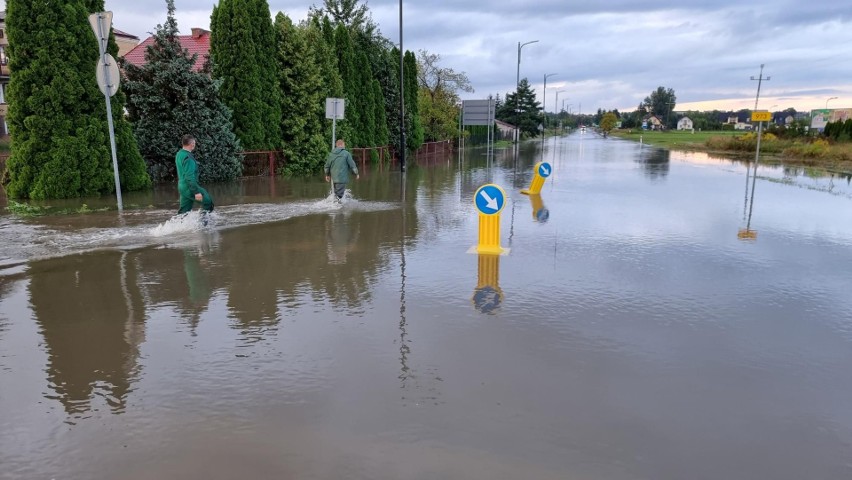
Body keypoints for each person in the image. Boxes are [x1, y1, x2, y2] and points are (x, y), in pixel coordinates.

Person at [175, 134, 214, 215]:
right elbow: (189, 176)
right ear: (192, 144)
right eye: (194, 143)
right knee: (208, 203)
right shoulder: (188, 158)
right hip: (189, 187)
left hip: (181, 186)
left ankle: (177, 226)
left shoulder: (179, 154)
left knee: (183, 211)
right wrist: (196, 192)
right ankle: (204, 225)